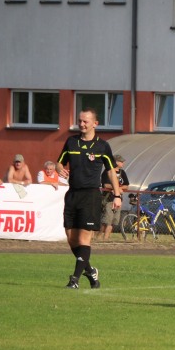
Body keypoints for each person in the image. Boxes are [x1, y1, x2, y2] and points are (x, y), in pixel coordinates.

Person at [58, 108, 123, 289]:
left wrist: (117, 195)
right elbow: (59, 162)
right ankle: (91, 272)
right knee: (71, 238)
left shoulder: (102, 146)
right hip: (72, 195)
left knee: (84, 239)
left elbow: (111, 171)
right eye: (80, 121)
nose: (82, 124)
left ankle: (74, 280)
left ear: (95, 123)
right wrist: (59, 169)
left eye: (85, 121)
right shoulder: (71, 142)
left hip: (90, 195)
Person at [99, 154, 129, 240]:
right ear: (115, 162)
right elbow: (105, 185)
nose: (123, 163)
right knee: (107, 220)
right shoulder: (107, 172)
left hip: (119, 200)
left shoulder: (122, 172)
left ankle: (106, 238)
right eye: (121, 161)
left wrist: (119, 188)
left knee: (113, 221)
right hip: (109, 199)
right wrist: (116, 188)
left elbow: (126, 186)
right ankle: (100, 237)